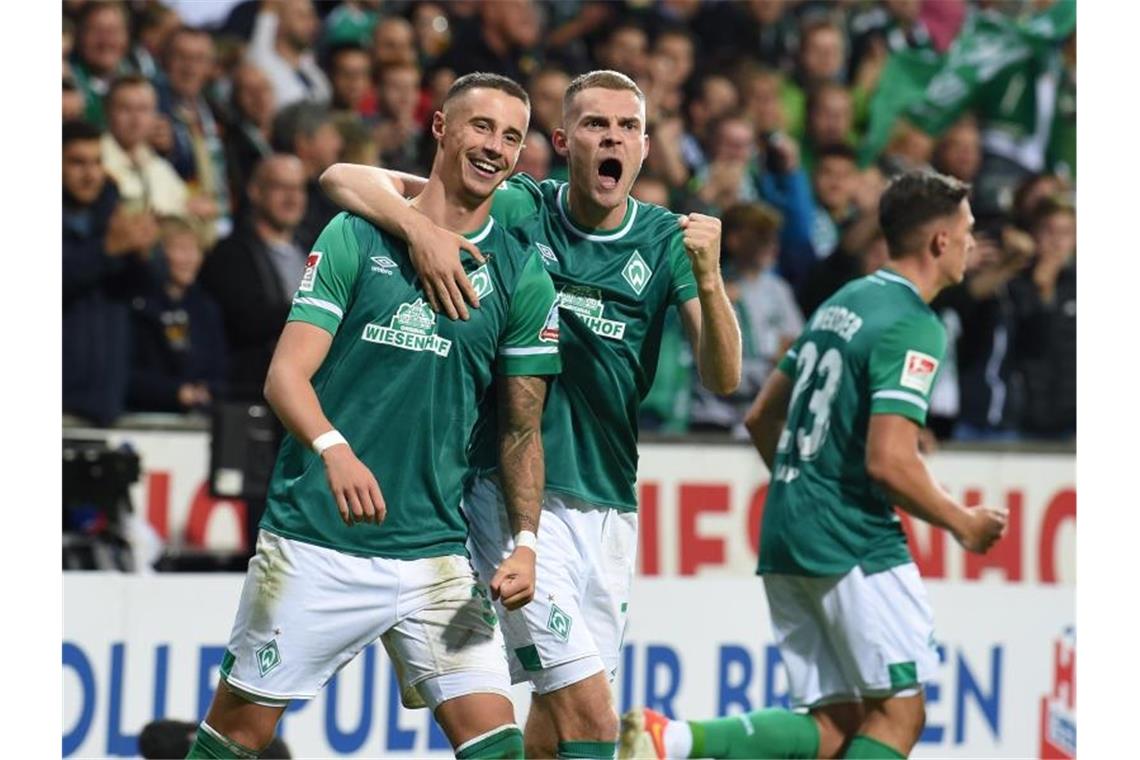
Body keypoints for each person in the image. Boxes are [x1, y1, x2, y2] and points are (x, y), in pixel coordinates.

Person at [320, 69, 742, 760]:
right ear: (562, 140)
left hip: (608, 506)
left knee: (557, 721)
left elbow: (723, 378)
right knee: (594, 717)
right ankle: (436, 634)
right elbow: (342, 177)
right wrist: (416, 231)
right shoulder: (520, 206)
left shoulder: (667, 241)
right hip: (512, 494)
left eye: (628, 127)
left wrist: (712, 279)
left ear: (643, 147)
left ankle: (442, 639)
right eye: (596, 125)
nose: (613, 138)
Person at [187, 73, 561, 760]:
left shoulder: (521, 273)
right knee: (236, 737)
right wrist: (334, 447)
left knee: (498, 744)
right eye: (481, 127)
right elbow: (285, 376)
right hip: (312, 546)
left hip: (436, 560)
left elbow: (520, 429)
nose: (496, 147)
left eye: (512, 136)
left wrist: (527, 543)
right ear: (442, 128)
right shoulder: (357, 234)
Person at [620, 171, 1009, 760]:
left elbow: (760, 417)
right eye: (968, 232)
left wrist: (805, 488)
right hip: (851, 536)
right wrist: (963, 523)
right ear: (938, 242)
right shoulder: (915, 324)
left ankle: (668, 739)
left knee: (836, 723)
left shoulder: (844, 301)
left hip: (787, 524)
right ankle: (666, 741)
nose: (972, 245)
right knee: (900, 713)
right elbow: (889, 461)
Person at [64, 120, 158, 425]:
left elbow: (149, 292)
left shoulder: (114, 215)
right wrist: (107, 252)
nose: (90, 174)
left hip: (107, 400)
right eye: (77, 163)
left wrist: (143, 256)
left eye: (97, 162)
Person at [199, 155, 308, 401]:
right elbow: (246, 320)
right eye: (281, 187)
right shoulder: (230, 253)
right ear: (255, 192)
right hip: (252, 394)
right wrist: (315, 315)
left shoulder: (314, 249)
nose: (292, 198)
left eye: (299, 188)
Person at [127, 216, 227, 414]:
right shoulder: (137, 305)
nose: (190, 258)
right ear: (159, 253)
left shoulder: (206, 308)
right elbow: (128, 374)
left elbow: (220, 369)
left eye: (195, 249)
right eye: (181, 249)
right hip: (145, 419)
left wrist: (205, 390)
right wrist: (176, 392)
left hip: (199, 422)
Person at [101, 75, 191, 221]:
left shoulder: (160, 166)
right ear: (108, 111)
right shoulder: (95, 160)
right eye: (125, 109)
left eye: (143, 109)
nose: (136, 119)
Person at [270, 102, 344, 251]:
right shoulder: (275, 196)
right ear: (303, 143)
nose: (339, 144)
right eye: (329, 135)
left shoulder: (324, 194)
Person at [246, 0, 331, 108]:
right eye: (301, 16)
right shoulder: (263, 63)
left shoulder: (313, 71)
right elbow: (268, 11)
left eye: (312, 15)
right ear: (278, 21)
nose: (311, 22)